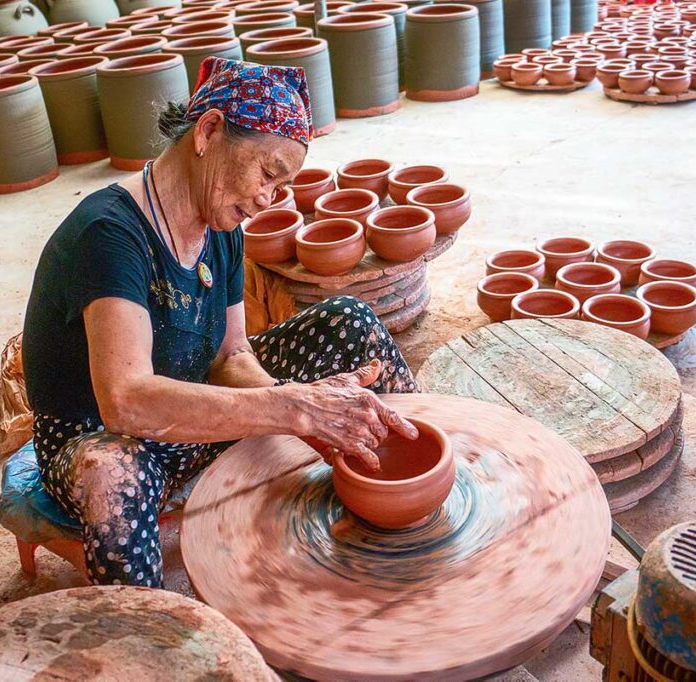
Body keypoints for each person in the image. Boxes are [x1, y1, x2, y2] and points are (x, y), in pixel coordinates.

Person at [21, 57, 419, 588]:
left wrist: (310, 412)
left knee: (349, 322)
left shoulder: (221, 222)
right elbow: (127, 401)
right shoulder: (107, 234)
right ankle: (150, 640)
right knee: (114, 471)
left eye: (281, 185)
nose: (267, 199)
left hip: (197, 407)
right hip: (99, 436)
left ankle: (413, 463)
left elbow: (231, 357)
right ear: (207, 131)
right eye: (268, 174)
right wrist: (292, 407)